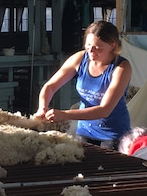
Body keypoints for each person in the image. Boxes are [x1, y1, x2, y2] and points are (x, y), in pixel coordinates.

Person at [34, 20, 132, 150]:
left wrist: (65, 115)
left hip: (113, 135)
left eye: (98, 48)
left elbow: (104, 110)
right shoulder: (80, 59)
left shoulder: (121, 68)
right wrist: (43, 107)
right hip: (84, 132)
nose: (91, 51)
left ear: (112, 45)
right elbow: (50, 87)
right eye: (88, 45)